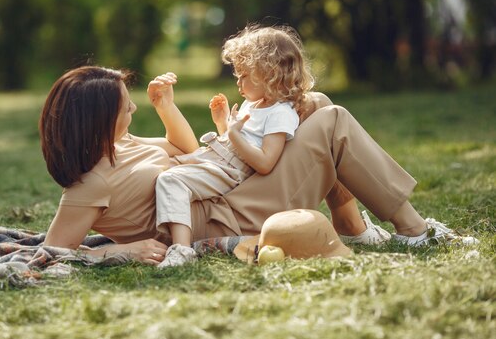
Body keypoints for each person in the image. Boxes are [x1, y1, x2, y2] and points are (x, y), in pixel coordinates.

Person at [40, 37, 476, 267]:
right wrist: (120, 251)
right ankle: (414, 231)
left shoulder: (123, 144)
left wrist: (165, 107)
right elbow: (53, 251)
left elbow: (182, 147)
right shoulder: (89, 183)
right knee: (333, 118)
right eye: (125, 104)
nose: (133, 106)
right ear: (96, 118)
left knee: (315, 105)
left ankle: (351, 225)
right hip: (233, 216)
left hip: (233, 189)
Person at [154, 25, 334, 267]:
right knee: (162, 166)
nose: (238, 82)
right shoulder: (255, 104)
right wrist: (223, 123)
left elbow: (264, 162)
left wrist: (233, 134)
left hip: (230, 170)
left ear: (267, 73)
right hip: (219, 160)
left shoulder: (281, 113)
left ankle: (182, 250)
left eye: (243, 75)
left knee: (171, 180)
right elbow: (238, 143)